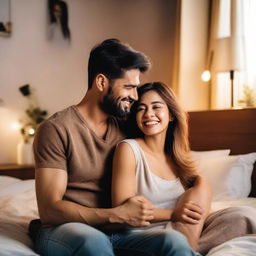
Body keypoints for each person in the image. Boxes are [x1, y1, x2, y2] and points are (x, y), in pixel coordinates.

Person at [31, 39, 209, 256]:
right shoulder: (56, 129)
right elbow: (50, 210)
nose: (135, 96)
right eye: (129, 87)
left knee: (172, 241)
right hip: (66, 229)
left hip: (119, 231)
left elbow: (169, 157)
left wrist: (197, 188)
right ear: (101, 82)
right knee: (93, 241)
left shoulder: (126, 125)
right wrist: (116, 215)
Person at [112, 82, 212, 252]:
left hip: (178, 230)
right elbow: (123, 210)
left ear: (171, 115)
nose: (148, 114)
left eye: (156, 107)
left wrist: (201, 183)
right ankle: (188, 247)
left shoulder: (177, 157)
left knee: (240, 216)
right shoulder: (128, 149)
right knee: (174, 240)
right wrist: (174, 214)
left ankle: (189, 247)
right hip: (139, 235)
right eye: (141, 109)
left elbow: (196, 205)